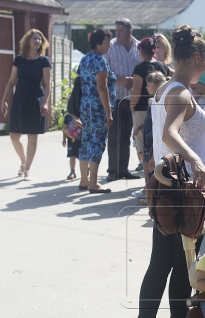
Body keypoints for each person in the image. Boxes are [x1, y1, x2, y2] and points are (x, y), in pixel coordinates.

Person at [136, 25, 205, 318]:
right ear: (196, 58)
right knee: (178, 263)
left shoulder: (165, 87)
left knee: (171, 262)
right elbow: (169, 133)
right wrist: (197, 161)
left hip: (168, 186)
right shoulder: (180, 93)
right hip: (182, 190)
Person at [1, 29, 52, 182]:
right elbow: (11, 81)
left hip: (36, 97)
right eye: (35, 38)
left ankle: (28, 169)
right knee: (14, 135)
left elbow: (48, 83)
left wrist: (46, 102)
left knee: (32, 136)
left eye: (39, 39)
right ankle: (23, 161)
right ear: (27, 41)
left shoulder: (44, 60)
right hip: (19, 98)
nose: (37, 41)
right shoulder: (19, 59)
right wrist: (4, 99)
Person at [77, 28, 116, 194]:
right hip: (98, 107)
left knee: (86, 141)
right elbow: (102, 88)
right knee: (97, 143)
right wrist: (108, 112)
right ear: (98, 43)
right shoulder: (100, 61)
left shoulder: (84, 59)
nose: (109, 46)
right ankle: (93, 183)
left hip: (85, 106)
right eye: (107, 43)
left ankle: (84, 180)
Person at [130, 38, 169, 197]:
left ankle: (149, 188)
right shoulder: (162, 66)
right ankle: (151, 187)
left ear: (140, 50)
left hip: (142, 111)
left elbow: (136, 91)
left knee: (145, 155)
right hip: (154, 115)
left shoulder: (140, 68)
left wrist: (132, 107)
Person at [105, 18, 141, 181]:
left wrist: (135, 79)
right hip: (115, 97)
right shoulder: (111, 47)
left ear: (129, 32)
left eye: (120, 31)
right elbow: (102, 71)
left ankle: (123, 169)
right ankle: (113, 170)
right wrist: (119, 79)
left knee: (126, 135)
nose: (117, 34)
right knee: (114, 135)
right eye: (116, 30)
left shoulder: (139, 47)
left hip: (132, 99)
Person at [132, 71, 167, 204]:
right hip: (147, 136)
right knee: (146, 164)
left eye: (149, 84)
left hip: (155, 137)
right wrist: (139, 127)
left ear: (158, 86)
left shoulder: (160, 101)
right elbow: (149, 119)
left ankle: (154, 195)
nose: (146, 87)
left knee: (153, 164)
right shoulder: (151, 100)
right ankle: (148, 191)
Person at [61, 114, 82, 180]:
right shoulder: (67, 116)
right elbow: (65, 128)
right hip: (71, 140)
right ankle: (72, 172)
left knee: (82, 157)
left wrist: (79, 124)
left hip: (81, 140)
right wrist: (64, 139)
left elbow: (87, 127)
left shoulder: (82, 114)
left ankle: (87, 169)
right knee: (72, 156)